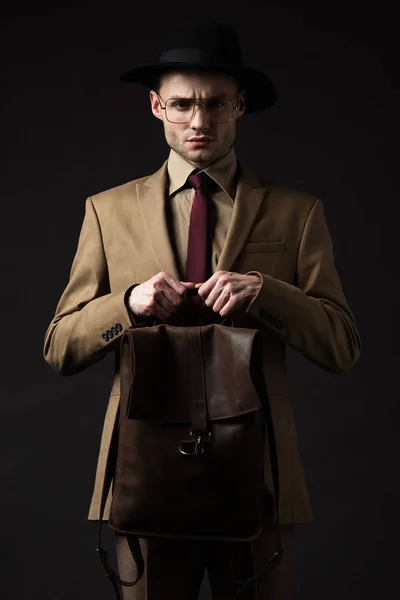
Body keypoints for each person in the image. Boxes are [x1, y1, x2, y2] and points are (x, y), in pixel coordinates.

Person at [43, 20, 361, 600]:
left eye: (215, 104)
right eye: (183, 104)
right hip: (143, 475)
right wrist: (128, 304)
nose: (199, 120)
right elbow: (60, 347)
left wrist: (268, 291)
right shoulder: (106, 212)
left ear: (239, 106)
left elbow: (342, 347)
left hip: (260, 474)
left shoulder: (298, 214)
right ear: (156, 106)